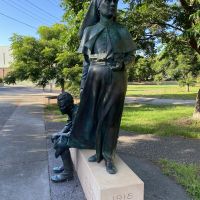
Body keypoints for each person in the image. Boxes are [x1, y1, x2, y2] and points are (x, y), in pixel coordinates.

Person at [67, 0, 136, 174]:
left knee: (111, 117)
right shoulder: (89, 31)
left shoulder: (122, 30)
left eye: (114, 2)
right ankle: (97, 152)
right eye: (107, 1)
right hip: (94, 75)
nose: (112, 4)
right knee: (95, 115)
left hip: (116, 75)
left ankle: (108, 155)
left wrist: (122, 65)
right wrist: (83, 84)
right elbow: (86, 61)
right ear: (98, 6)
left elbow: (131, 56)